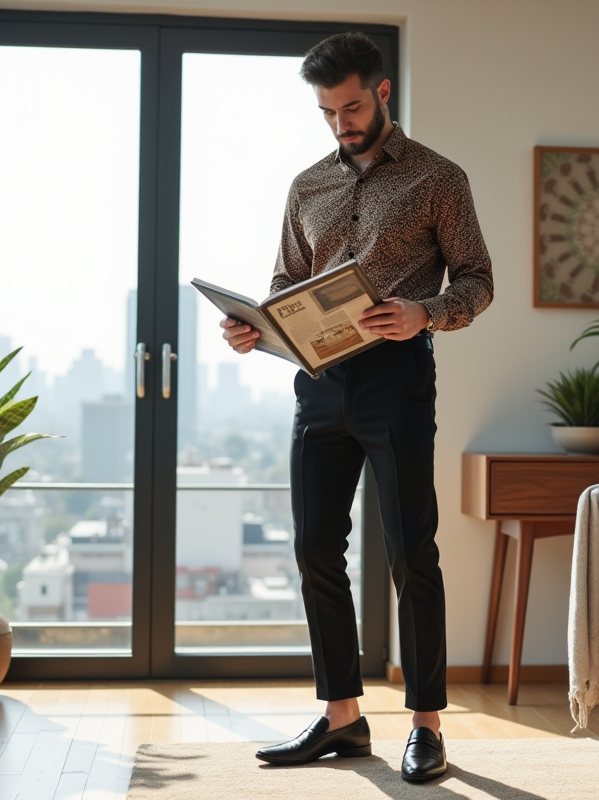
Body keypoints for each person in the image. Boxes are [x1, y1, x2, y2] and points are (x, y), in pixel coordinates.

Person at [219, 31, 493, 783]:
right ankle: (342, 717)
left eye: (349, 107)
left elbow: (477, 279)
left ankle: (428, 726)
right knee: (314, 547)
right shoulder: (306, 185)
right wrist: (255, 329)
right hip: (319, 385)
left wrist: (425, 315)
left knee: (411, 551)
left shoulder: (440, 178)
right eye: (326, 111)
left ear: (382, 93)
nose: (340, 123)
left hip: (397, 378)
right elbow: (283, 281)